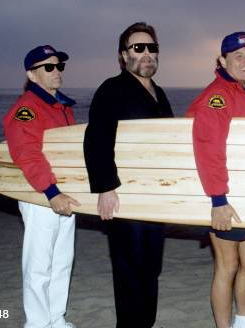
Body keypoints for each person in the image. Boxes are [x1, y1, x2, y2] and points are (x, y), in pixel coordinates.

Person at [83, 22, 173, 328]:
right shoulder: (112, 90)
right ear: (124, 55)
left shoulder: (159, 93)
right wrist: (106, 188)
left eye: (152, 48)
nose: (147, 54)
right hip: (124, 198)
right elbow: (96, 139)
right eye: (138, 48)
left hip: (153, 199)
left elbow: (169, 143)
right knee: (129, 271)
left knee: (151, 268)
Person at [186, 32, 245, 328]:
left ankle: (243, 321)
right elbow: (208, 148)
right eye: (239, 56)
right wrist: (218, 200)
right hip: (223, 195)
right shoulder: (217, 96)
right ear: (222, 61)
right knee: (228, 264)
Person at [3, 45, 80, 328]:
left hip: (65, 193)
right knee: (39, 265)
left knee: (62, 260)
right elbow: (27, 154)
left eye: (59, 66)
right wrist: (51, 192)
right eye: (48, 67)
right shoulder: (26, 110)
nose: (57, 71)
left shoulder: (61, 106)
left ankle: (55, 317)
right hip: (41, 195)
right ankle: (36, 323)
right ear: (32, 75)